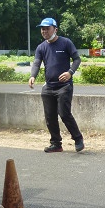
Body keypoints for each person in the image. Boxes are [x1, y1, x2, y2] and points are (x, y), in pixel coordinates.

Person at [28, 17, 84, 153]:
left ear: (55, 29)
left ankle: (78, 139)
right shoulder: (41, 47)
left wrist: (70, 72)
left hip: (64, 86)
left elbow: (77, 59)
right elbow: (37, 63)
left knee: (64, 113)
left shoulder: (65, 43)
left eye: (47, 29)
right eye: (42, 29)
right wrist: (32, 76)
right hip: (49, 86)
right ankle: (56, 144)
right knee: (50, 117)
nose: (44, 31)